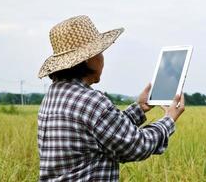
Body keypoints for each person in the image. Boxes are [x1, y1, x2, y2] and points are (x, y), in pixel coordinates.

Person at [37, 15, 185, 181]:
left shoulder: (53, 95)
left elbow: (102, 130)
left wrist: (139, 107)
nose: (102, 58)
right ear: (88, 59)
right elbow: (136, 145)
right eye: (100, 52)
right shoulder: (90, 101)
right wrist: (169, 120)